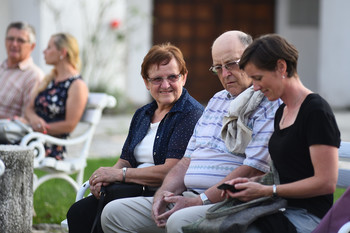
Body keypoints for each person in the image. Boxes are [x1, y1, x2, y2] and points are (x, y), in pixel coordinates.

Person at [100, 30, 281, 233]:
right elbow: (187, 160)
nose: (225, 74)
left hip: (228, 202)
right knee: (114, 213)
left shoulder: (268, 103)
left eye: (231, 64)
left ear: (252, 60)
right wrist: (163, 193)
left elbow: (253, 169)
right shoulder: (216, 101)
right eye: (218, 68)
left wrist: (198, 200)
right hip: (189, 195)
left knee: (179, 221)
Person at [66, 43, 204, 233]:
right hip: (130, 190)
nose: (165, 85)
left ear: (184, 77)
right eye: (157, 79)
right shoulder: (143, 113)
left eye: (172, 77)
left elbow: (171, 171)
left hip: (160, 194)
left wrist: (120, 175)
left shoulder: (190, 114)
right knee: (78, 213)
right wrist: (104, 179)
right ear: (146, 83)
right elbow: (126, 160)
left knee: (99, 217)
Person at [220, 34, 341, 233]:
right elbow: (288, 173)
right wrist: (252, 184)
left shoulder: (316, 111)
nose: (256, 87)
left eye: (258, 78)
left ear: (281, 67)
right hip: (279, 208)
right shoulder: (281, 112)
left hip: (310, 217)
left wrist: (268, 190)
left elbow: (326, 183)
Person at [22, 33, 88, 159]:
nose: (44, 51)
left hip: (48, 144)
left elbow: (69, 125)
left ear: (62, 52)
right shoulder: (49, 79)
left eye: (49, 47)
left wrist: (38, 128)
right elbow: (29, 108)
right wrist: (34, 120)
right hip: (32, 137)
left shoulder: (77, 85)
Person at [0, 21, 44, 119]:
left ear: (32, 46)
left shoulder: (33, 76)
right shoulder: (2, 67)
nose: (14, 44)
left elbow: (27, 120)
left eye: (20, 40)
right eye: (10, 39)